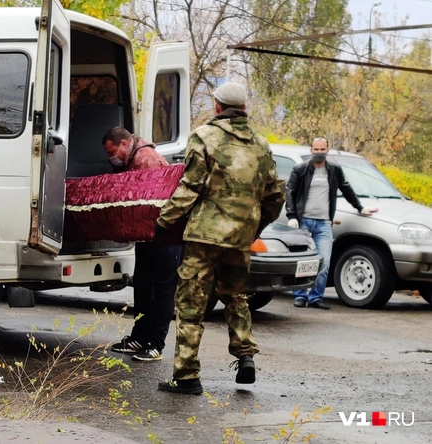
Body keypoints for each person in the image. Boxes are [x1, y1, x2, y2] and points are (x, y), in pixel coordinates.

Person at [155, 82, 285, 395]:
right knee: (236, 296)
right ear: (244, 108)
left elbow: (191, 186)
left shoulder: (204, 136)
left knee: (191, 303)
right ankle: (245, 356)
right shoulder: (261, 144)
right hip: (240, 238)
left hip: (205, 235)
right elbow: (275, 195)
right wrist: (253, 227)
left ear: (216, 106)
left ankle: (186, 376)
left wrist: (164, 221)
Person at [103, 127, 184, 362]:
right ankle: (140, 337)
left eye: (113, 152)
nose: (112, 158)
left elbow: (154, 201)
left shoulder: (147, 160)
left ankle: (155, 344)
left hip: (165, 236)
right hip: (149, 235)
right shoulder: (133, 160)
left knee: (162, 292)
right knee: (143, 287)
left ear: (125, 144)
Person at [286, 137, 378, 310]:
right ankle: (299, 296)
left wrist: (360, 207)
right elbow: (290, 192)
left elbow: (346, 189)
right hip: (303, 222)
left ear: (328, 150)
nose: (319, 153)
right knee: (303, 262)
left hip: (323, 224)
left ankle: (316, 297)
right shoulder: (300, 169)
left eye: (322, 149)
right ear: (311, 150)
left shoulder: (334, 170)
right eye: (316, 149)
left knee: (324, 263)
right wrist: (291, 216)